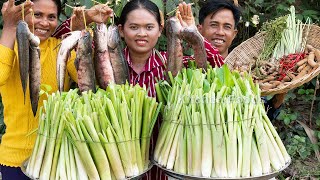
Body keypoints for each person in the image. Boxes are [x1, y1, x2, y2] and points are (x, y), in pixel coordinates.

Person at [0, 0, 112, 179]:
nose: (45, 23)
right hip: (15, 157)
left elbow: (86, 80)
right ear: (23, 14)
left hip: (57, 157)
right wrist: (9, 27)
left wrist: (83, 29)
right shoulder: (8, 47)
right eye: (37, 15)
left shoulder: (61, 47)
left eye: (51, 17)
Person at [197, 0, 285, 120]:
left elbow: (263, 117)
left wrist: (281, 94)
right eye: (214, 25)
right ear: (199, 30)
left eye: (227, 27)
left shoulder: (246, 71)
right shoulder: (186, 68)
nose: (220, 32)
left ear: (234, 34)